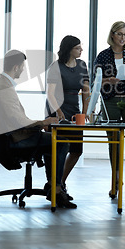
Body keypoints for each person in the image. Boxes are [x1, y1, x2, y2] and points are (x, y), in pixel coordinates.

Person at [0, 49, 76, 208]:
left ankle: (52, 186)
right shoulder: (3, 87)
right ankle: (56, 190)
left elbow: (14, 118)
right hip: (16, 139)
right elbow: (18, 120)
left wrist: (41, 123)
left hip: (9, 137)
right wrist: (43, 122)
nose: (23, 70)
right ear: (16, 67)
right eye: (22, 67)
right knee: (61, 141)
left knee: (50, 142)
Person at [94, 21, 125, 197]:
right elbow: (96, 82)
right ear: (112, 35)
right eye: (120, 34)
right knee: (114, 142)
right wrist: (109, 80)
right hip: (111, 101)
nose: (123, 38)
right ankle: (116, 182)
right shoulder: (102, 56)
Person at [46, 36, 90, 198]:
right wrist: (58, 112)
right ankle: (56, 186)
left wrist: (85, 112)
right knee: (60, 149)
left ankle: (59, 182)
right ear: (69, 49)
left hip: (74, 109)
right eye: (78, 47)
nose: (81, 50)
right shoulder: (55, 66)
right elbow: (50, 94)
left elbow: (86, 91)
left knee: (77, 150)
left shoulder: (82, 65)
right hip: (57, 109)